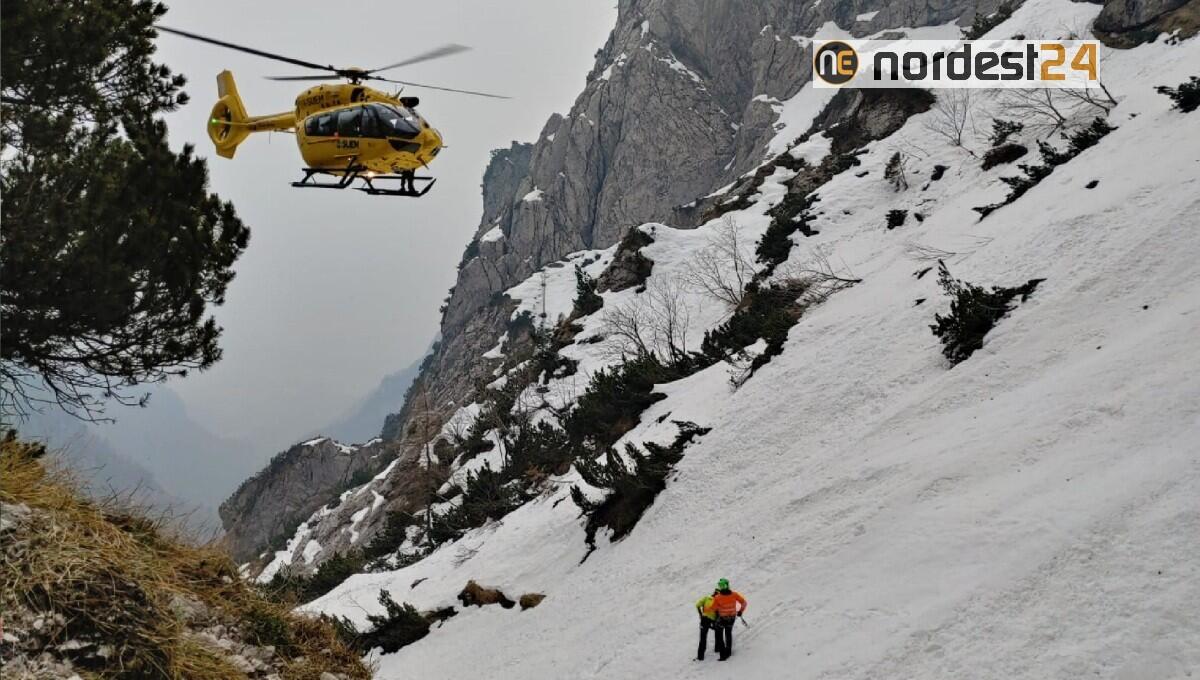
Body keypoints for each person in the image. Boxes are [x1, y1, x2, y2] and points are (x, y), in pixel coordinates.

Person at [710, 578, 747, 660]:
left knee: (719, 635)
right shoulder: (734, 594)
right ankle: (728, 651)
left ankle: (723, 654)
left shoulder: (717, 597)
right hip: (732, 618)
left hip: (722, 618)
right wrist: (740, 611)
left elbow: (712, 609)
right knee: (728, 633)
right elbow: (744, 603)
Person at [694, 589, 721, 660]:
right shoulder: (718, 601)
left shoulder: (706, 598)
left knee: (703, 637)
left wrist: (700, 615)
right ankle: (717, 648)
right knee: (717, 632)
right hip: (714, 620)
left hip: (704, 619)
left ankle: (700, 656)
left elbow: (697, 605)